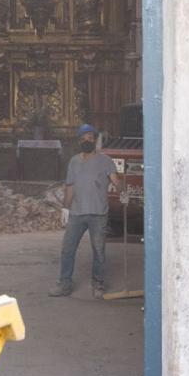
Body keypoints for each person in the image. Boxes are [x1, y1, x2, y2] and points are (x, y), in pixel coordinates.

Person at [49, 124, 123, 298]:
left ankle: (98, 283)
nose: (86, 141)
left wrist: (123, 191)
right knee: (67, 249)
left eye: (90, 138)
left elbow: (116, 181)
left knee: (98, 250)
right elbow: (70, 186)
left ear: (95, 140)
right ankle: (64, 284)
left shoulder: (105, 161)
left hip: (98, 214)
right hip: (77, 214)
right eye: (83, 139)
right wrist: (65, 208)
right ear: (79, 141)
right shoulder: (74, 161)